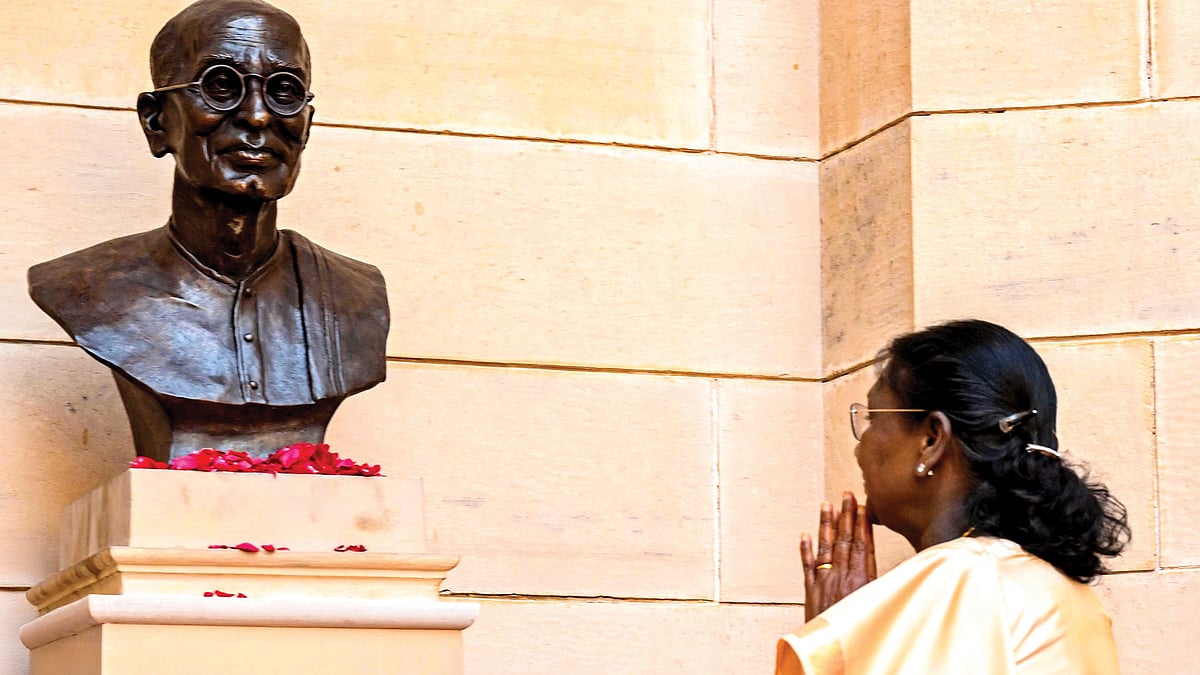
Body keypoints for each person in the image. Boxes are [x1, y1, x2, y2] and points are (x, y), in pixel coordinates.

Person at [27, 0, 388, 462]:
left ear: (307, 126)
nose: (258, 116)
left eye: (284, 90)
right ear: (157, 122)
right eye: (221, 87)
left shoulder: (358, 295)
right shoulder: (83, 287)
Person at [777, 319, 1130, 674]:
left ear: (931, 439)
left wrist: (841, 651)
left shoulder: (961, 580)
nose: (860, 448)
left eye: (872, 418)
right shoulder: (1076, 599)